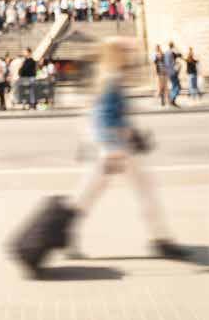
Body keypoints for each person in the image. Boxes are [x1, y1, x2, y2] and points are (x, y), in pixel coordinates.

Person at [70, 39, 183, 260]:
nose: (129, 57)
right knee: (95, 194)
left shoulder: (105, 75)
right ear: (116, 55)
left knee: (91, 194)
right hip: (114, 149)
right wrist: (112, 147)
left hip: (115, 147)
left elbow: (99, 115)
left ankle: (160, 237)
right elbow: (105, 118)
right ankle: (160, 239)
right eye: (124, 52)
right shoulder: (111, 78)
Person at [163, 42, 182, 107]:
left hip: (169, 72)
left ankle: (172, 100)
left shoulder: (166, 53)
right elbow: (180, 55)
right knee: (177, 86)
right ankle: (171, 99)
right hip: (173, 72)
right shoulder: (172, 52)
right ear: (173, 46)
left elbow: (165, 63)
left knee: (174, 86)